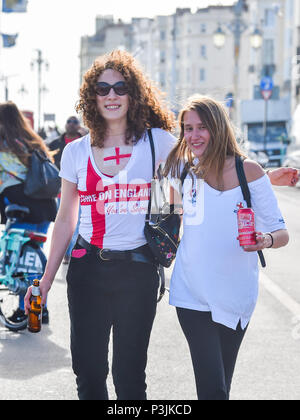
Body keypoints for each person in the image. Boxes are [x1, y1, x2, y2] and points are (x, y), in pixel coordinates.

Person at [25, 49, 176, 400]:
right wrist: (46, 281)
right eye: (103, 88)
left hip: (138, 271)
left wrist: (261, 175)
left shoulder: (159, 143)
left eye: (120, 87)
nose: (111, 95)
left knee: (129, 378)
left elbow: (207, 167)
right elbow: (66, 218)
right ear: (92, 96)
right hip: (87, 269)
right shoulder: (76, 151)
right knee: (89, 375)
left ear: (133, 94)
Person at [164, 95, 290, 400]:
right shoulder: (181, 171)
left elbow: (282, 232)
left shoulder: (251, 173)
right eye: (188, 128)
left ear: (218, 128)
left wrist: (266, 240)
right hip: (191, 294)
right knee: (213, 390)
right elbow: (163, 215)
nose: (193, 136)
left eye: (201, 127)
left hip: (236, 296)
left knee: (222, 386)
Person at [0, 101, 57, 324]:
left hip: (19, 207)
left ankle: (27, 311)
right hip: (44, 206)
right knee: (33, 259)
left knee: (19, 262)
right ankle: (39, 309)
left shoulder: (4, 144)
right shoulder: (33, 141)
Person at [48, 116, 88, 264]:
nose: (71, 124)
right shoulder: (55, 143)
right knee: (64, 221)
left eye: (75, 122)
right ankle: (66, 252)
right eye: (69, 121)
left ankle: (72, 252)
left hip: (84, 191)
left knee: (78, 223)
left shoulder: (87, 142)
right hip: (62, 189)